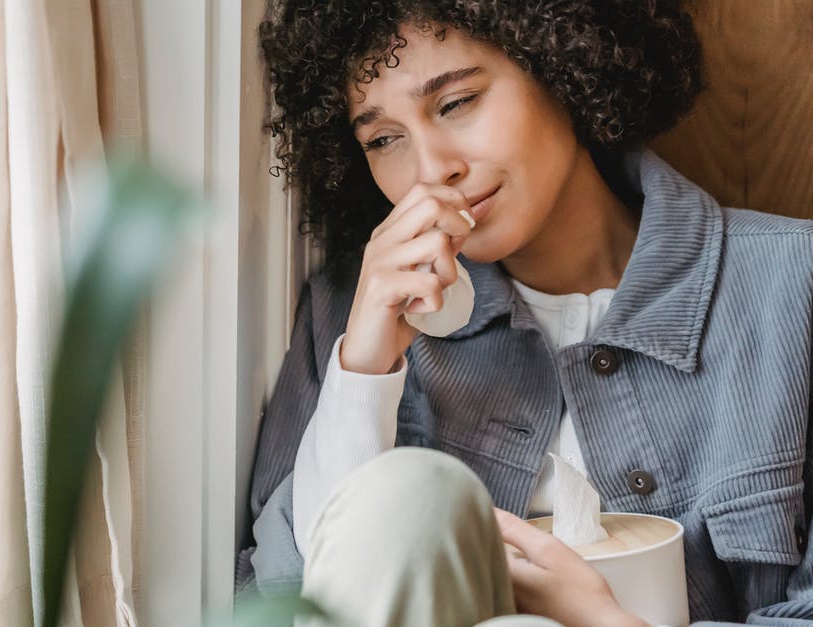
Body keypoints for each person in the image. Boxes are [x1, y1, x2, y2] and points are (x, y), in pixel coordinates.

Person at [236, 1, 813, 626]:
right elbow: (280, 604)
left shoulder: (790, 283)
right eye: (382, 139)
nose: (432, 169)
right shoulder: (346, 315)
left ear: (562, 63)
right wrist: (365, 372)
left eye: (457, 103)